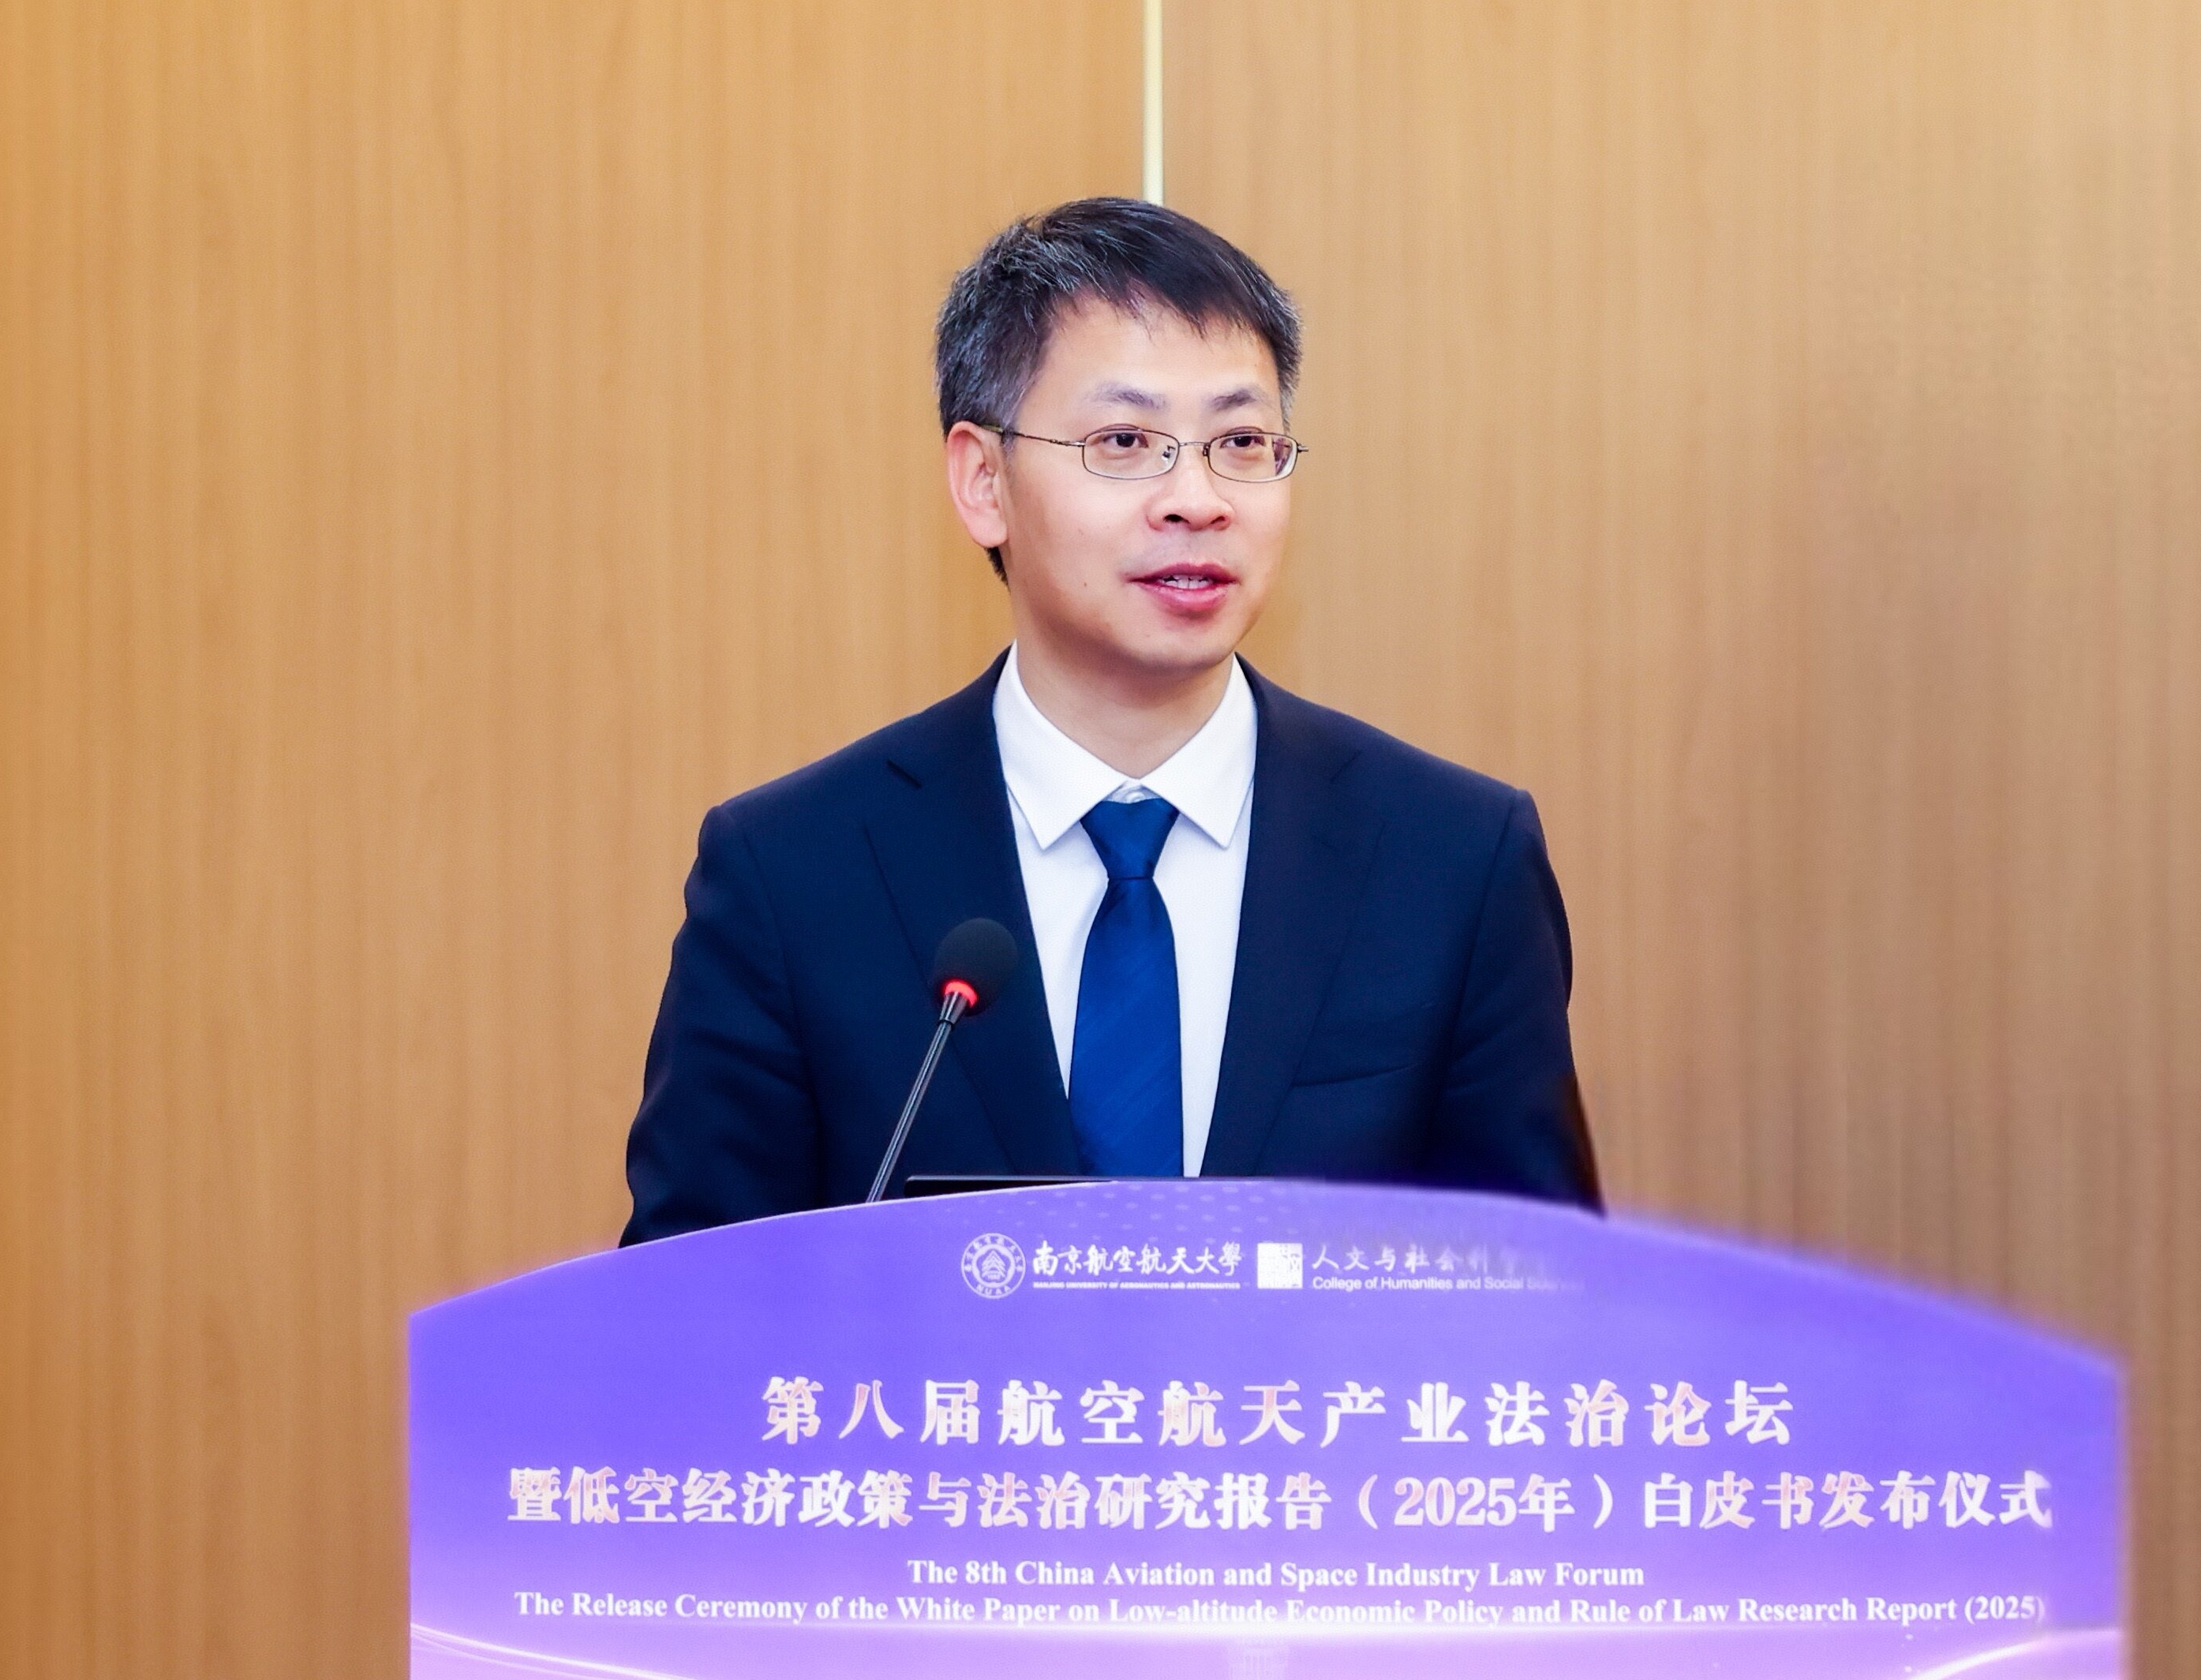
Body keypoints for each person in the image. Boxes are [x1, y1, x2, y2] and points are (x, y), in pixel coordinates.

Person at [622, 198, 1596, 1239]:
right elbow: (686, 1308)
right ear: (984, 481)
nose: (1198, 498)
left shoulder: (1451, 861)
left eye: (1242, 441)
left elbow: (1542, 1293)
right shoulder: (793, 875)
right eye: (1126, 441)